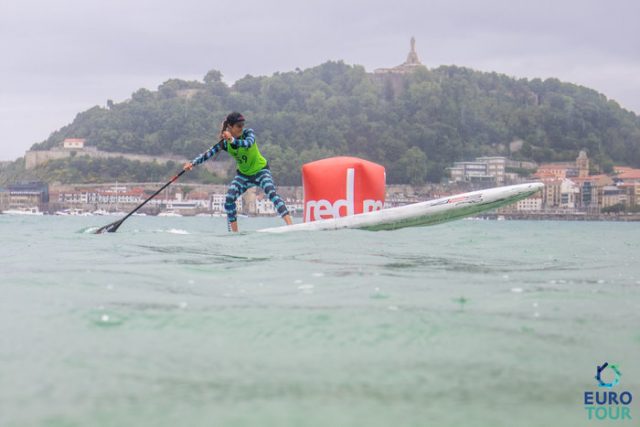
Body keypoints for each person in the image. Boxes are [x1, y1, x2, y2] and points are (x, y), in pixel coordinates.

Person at [183, 112, 293, 232]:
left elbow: (247, 144)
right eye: (238, 125)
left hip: (261, 171)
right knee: (229, 199)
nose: (242, 128)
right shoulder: (224, 143)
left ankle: (290, 226)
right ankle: (234, 233)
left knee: (271, 193)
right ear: (230, 126)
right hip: (244, 176)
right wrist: (192, 163)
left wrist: (232, 140)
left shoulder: (248, 133)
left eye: (242, 124)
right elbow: (207, 154)